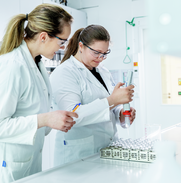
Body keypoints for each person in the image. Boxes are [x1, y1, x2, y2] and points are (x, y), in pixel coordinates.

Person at [0, 4, 78, 183]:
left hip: (24, 164)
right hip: (3, 171)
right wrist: (45, 120)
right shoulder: (12, 65)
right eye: (62, 41)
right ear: (44, 37)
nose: (62, 47)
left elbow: (31, 112)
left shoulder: (36, 64)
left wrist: (54, 120)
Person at [50, 25, 136, 166]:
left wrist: (120, 113)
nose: (101, 58)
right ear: (81, 46)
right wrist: (112, 100)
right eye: (96, 52)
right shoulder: (65, 73)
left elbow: (108, 107)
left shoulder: (103, 71)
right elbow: (72, 114)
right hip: (78, 155)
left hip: (107, 148)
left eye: (104, 53)